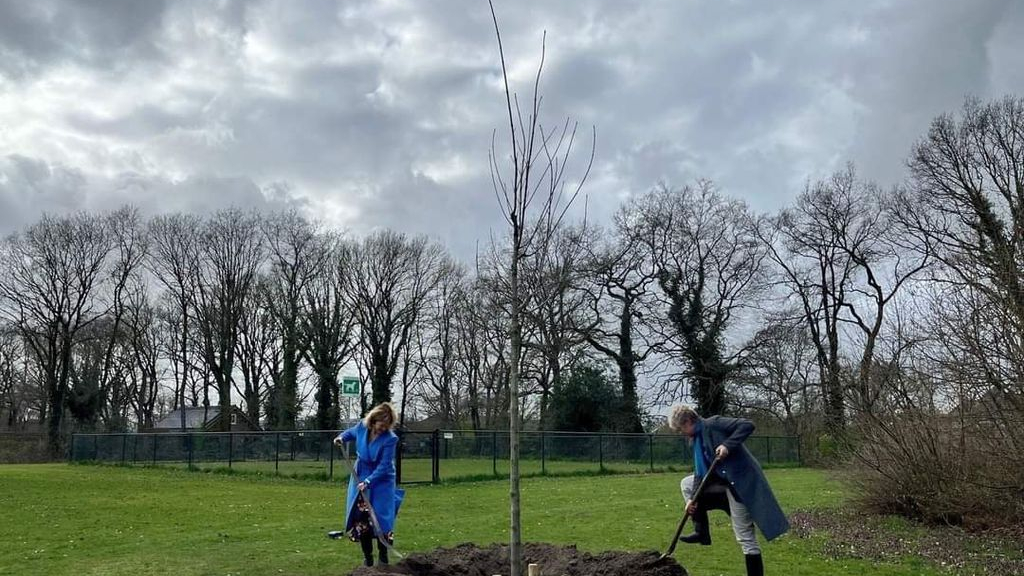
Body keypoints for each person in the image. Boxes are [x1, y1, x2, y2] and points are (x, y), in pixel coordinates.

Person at [668, 404, 789, 576]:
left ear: (688, 421)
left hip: (741, 485)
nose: (682, 433)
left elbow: (747, 425)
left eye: (681, 429)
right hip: (721, 483)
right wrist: (691, 500)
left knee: (745, 537)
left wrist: (727, 445)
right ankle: (701, 532)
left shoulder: (714, 423)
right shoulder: (697, 440)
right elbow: (699, 474)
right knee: (687, 485)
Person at [333, 402, 405, 567]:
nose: (382, 429)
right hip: (361, 475)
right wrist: (341, 437)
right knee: (362, 518)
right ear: (373, 420)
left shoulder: (390, 439)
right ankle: (368, 559)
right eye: (381, 425)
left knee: (380, 519)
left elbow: (385, 465)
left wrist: (369, 481)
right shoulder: (362, 427)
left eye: (386, 427)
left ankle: (383, 557)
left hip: (381, 480)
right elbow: (351, 433)